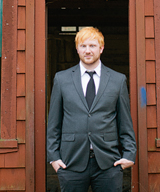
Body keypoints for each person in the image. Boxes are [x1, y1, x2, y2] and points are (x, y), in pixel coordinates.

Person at [46, 27, 136, 192]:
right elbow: (54, 122)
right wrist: (53, 158)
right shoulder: (62, 79)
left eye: (92, 46)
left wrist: (129, 155)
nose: (88, 51)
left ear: (101, 48)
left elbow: (125, 121)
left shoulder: (118, 80)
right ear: (77, 49)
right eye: (83, 46)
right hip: (70, 162)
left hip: (108, 164)